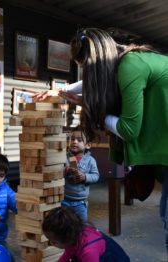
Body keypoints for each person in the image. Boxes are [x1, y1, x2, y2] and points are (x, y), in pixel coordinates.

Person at [33, 27, 168, 253]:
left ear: (98, 63)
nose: (87, 76)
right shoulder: (126, 61)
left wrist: (89, 107)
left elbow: (128, 130)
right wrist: (60, 92)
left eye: (87, 69)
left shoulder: (131, 66)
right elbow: (96, 82)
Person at [42, 206, 130, 262]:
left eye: (54, 242)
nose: (51, 244)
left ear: (67, 237)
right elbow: (66, 256)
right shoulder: (72, 235)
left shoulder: (89, 252)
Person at [63, 127, 99, 222]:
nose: (74, 142)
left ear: (88, 145)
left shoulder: (91, 161)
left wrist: (85, 176)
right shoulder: (64, 157)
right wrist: (66, 170)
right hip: (63, 199)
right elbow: (56, 173)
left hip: (80, 202)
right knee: (63, 224)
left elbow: (96, 176)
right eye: (72, 139)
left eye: (79, 140)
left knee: (81, 225)